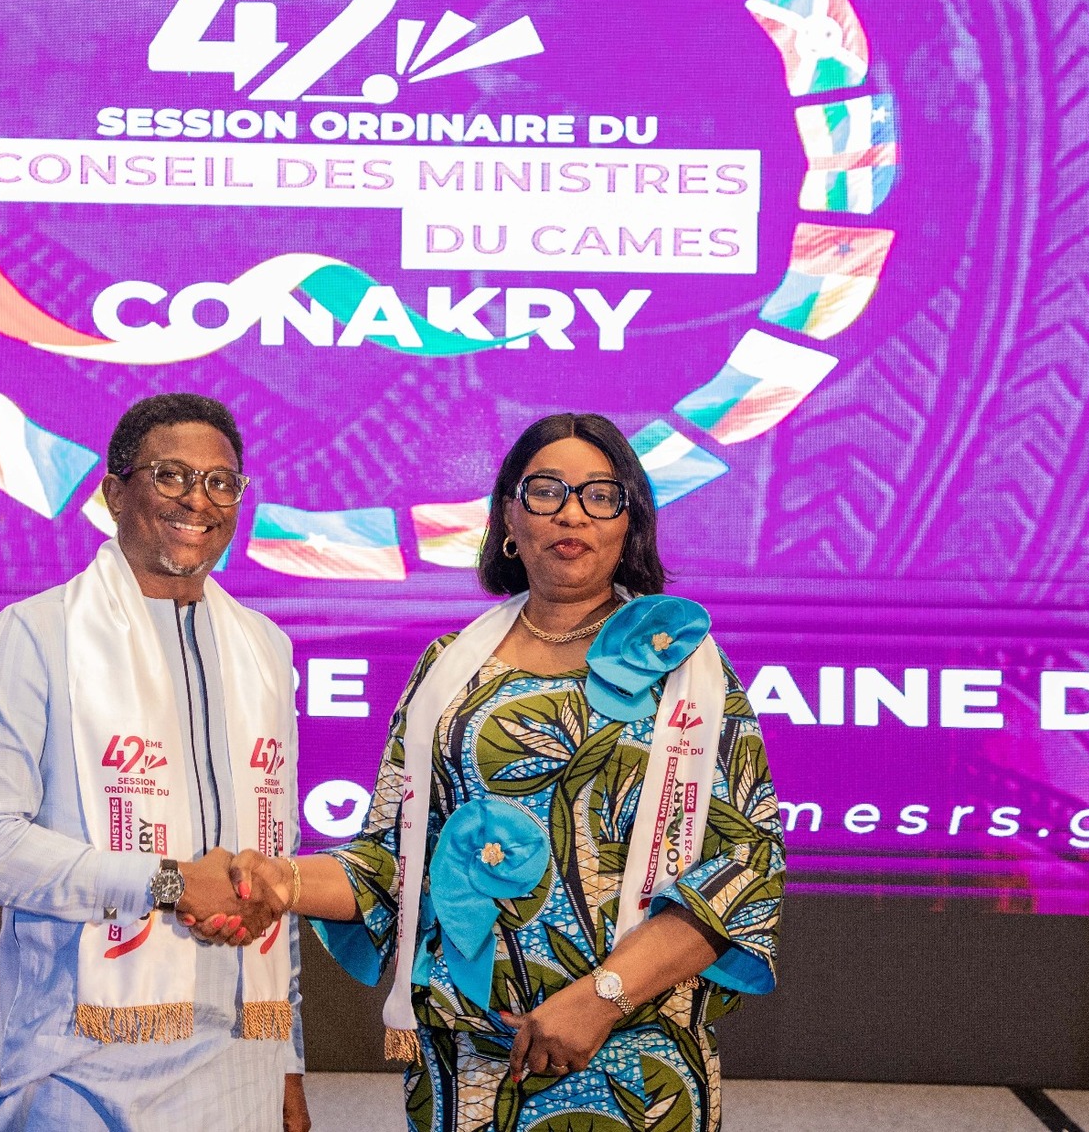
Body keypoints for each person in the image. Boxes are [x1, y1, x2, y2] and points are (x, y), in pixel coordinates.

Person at [206, 412, 784, 1132]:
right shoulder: (450, 669)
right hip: (468, 1063)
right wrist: (278, 880)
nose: (572, 512)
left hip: (637, 1059)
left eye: (601, 495)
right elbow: (390, 863)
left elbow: (744, 866)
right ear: (509, 515)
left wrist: (599, 998)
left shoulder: (686, 670)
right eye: (546, 490)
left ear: (629, 522)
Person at [0, 393, 309, 1132]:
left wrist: (290, 1062)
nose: (198, 500)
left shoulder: (264, 648)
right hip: (83, 1064)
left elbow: (276, 862)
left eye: (221, 482)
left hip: (243, 1060)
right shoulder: (34, 636)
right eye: (171, 475)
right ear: (114, 493)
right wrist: (167, 882)